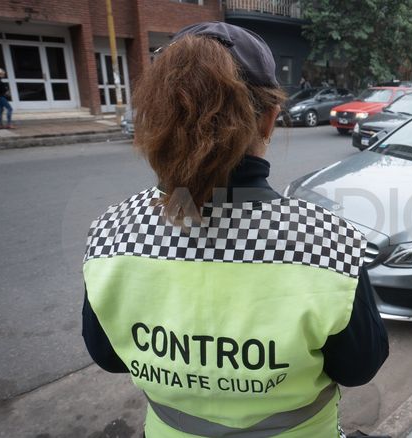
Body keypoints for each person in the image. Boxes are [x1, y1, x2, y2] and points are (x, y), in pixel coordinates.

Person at [81, 22, 388, 438]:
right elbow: (358, 368)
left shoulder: (111, 233)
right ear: (268, 121)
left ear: (159, 119)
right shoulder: (329, 243)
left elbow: (110, 357)